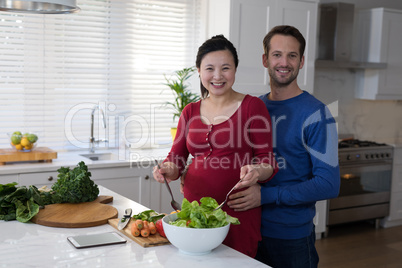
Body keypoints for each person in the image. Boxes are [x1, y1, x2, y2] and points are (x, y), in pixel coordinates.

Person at [152, 35, 277, 257]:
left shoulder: (252, 107)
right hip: (195, 214)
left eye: (225, 68)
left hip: (237, 214)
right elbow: (177, 158)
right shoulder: (189, 111)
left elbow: (267, 160)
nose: (218, 76)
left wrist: (256, 171)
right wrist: (168, 169)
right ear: (199, 71)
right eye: (210, 68)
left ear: (235, 70)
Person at [227, 25, 340, 267]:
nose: (284, 62)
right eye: (277, 54)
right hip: (247, 227)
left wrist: (265, 196)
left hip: (290, 237)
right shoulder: (253, 107)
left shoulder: (317, 114)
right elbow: (234, 158)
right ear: (265, 59)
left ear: (301, 62)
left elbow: (329, 184)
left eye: (292, 55)